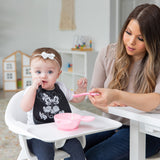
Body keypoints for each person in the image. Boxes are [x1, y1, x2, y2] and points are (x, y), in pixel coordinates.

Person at [85, 3, 160, 160]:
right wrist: (106, 104)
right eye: (128, 32)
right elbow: (95, 92)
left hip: (146, 132)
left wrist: (117, 95)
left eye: (140, 38)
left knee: (94, 157)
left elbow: (155, 100)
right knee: (71, 148)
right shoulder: (108, 53)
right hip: (110, 123)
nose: (131, 42)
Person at [20, 47, 87, 160]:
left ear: (58, 74)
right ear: (31, 72)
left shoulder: (61, 88)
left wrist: (81, 89)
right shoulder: (31, 90)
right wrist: (33, 89)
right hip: (38, 136)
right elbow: (25, 107)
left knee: (77, 147)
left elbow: (75, 98)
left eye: (50, 72)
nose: (43, 76)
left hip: (62, 133)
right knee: (46, 154)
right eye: (38, 72)